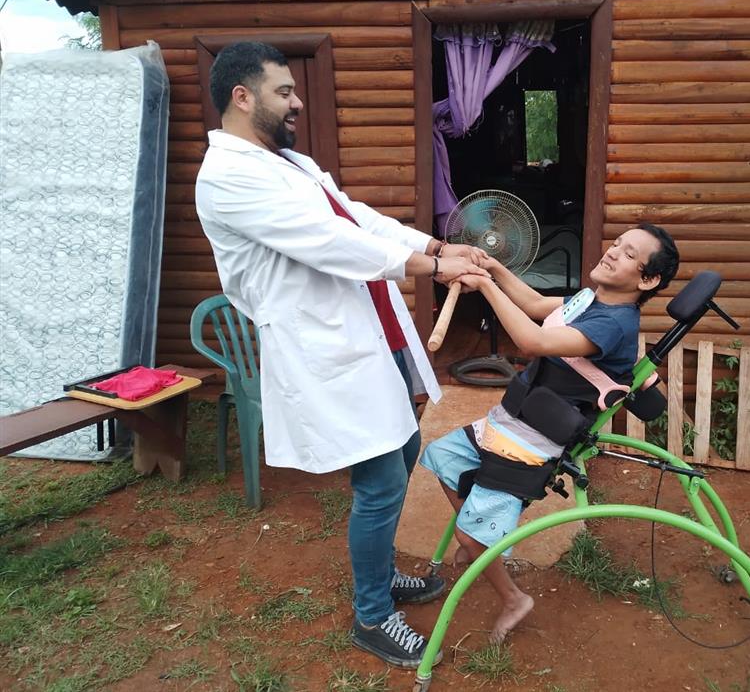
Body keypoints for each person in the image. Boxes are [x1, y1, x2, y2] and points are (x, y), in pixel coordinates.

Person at [195, 41, 487, 669]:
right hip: (319, 343)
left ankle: (379, 581)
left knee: (406, 449)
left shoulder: (290, 164)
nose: (297, 102)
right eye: (284, 92)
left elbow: (355, 217)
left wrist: (437, 243)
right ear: (242, 98)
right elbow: (328, 243)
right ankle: (373, 614)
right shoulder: (228, 177)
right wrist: (430, 265)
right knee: (380, 482)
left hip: (365, 330)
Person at [420, 224, 680, 643]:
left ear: (647, 280)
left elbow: (532, 339)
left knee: (470, 535)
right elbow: (538, 304)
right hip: (510, 420)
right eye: (616, 243)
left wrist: (484, 285)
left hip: (532, 442)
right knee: (444, 458)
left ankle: (512, 596)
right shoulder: (592, 299)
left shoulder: (614, 324)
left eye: (629, 254)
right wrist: (493, 266)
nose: (612, 252)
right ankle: (483, 534)